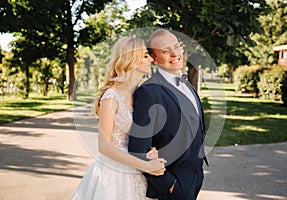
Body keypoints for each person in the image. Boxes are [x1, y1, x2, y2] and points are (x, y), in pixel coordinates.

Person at [72, 37, 166, 200]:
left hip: (135, 170)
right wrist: (147, 166)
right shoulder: (111, 97)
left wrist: (151, 150)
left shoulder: (139, 95)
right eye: (145, 55)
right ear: (131, 60)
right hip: (113, 174)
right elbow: (104, 147)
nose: (151, 58)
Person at [128, 29, 208, 200]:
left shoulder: (186, 84)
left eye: (177, 46)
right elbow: (138, 148)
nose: (175, 53)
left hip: (195, 174)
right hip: (173, 182)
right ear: (154, 59)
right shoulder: (149, 92)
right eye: (165, 51)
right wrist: (169, 184)